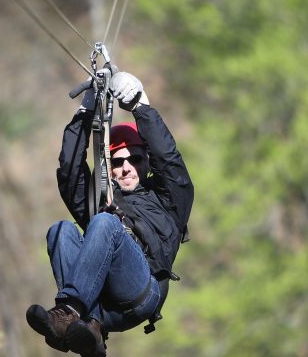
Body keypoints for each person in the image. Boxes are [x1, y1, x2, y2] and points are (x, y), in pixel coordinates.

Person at [26, 71, 194, 357]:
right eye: (118, 161)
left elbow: (170, 163)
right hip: (102, 303)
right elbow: (70, 172)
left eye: (135, 159)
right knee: (61, 230)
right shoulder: (99, 198)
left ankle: (68, 316)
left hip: (142, 291)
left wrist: (141, 107)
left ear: (146, 162)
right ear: (109, 166)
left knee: (104, 222)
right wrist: (84, 112)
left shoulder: (167, 199)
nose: (127, 167)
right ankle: (89, 331)